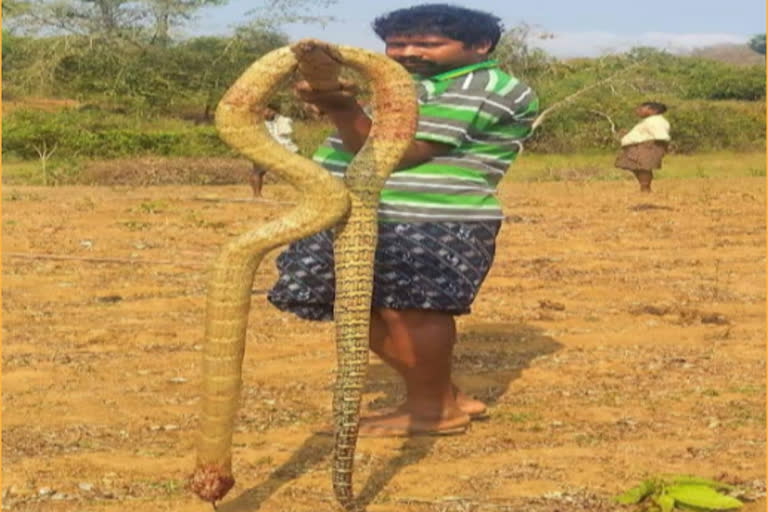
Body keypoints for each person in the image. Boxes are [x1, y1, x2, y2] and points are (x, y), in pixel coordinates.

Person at [267, 3, 539, 436]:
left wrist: (341, 107)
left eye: (428, 44)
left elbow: (401, 152)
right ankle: (440, 395)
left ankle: (433, 410)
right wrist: (343, 107)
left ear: (480, 45)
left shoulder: (485, 84)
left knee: (411, 311)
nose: (409, 51)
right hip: (360, 209)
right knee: (352, 303)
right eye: (397, 43)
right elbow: (370, 133)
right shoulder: (410, 85)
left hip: (426, 217)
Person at [614, 102, 671, 193]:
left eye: (641, 109)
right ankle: (644, 186)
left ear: (653, 110)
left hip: (648, 146)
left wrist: (655, 147)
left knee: (643, 167)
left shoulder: (656, 121)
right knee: (633, 165)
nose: (638, 111)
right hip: (640, 146)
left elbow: (661, 135)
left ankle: (645, 187)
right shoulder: (648, 121)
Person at [249, 106, 299, 197]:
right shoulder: (256, 123)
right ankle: (257, 194)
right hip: (263, 150)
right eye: (266, 109)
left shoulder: (283, 120)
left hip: (283, 148)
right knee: (258, 172)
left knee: (299, 169)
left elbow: (287, 132)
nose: (269, 112)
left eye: (271, 110)